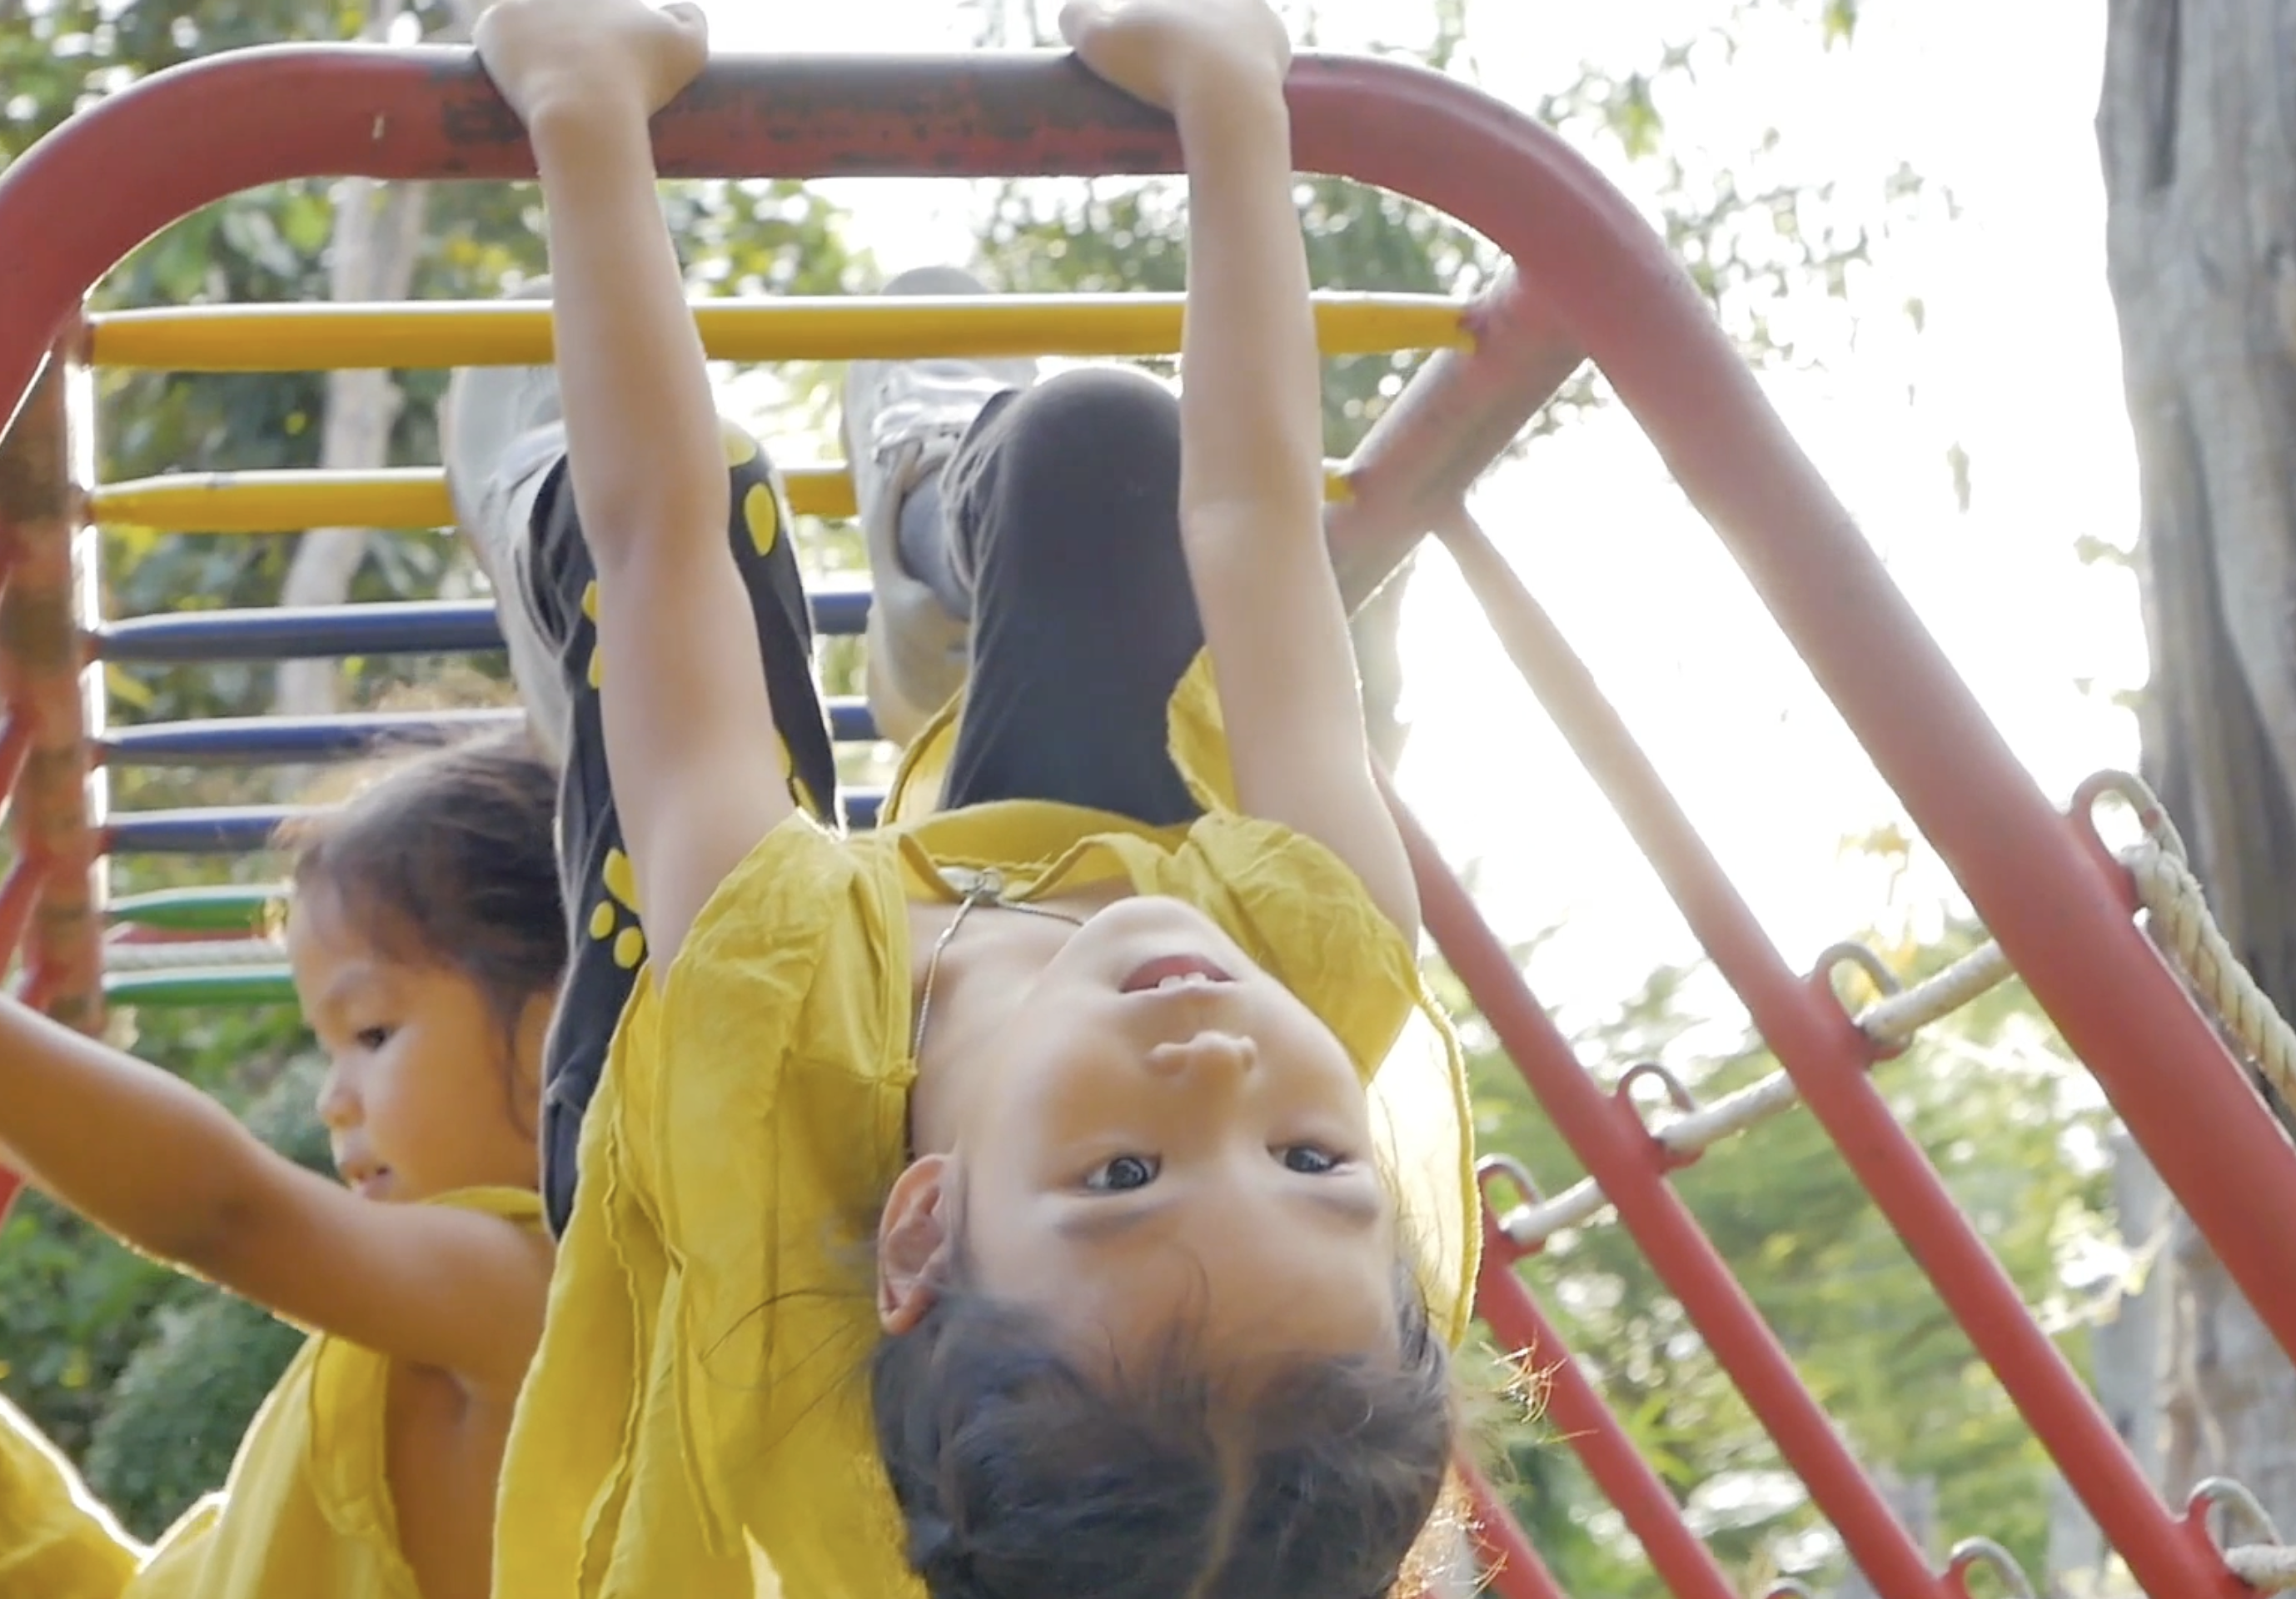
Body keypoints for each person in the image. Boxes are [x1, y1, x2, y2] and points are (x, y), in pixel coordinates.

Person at [454, 0, 1484, 1593]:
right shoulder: (1314, 952)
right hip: (1040, 890)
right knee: (1118, 443)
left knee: (658, 548)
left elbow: (658, 530)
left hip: (714, 1163)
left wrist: (583, 109)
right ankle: (951, 515)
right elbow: (1258, 514)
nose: (1212, 1065)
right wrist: (1231, 93)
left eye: (1126, 1179)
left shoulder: (759, 1016)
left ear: (926, 1228)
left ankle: (511, 481)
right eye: (1314, 1163)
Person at [0, 731, 565, 1599]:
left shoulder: (541, 1298)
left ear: (565, 1025)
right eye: (328, 1045)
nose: (331, 1100)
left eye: (372, 1032)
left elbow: (225, 1212)